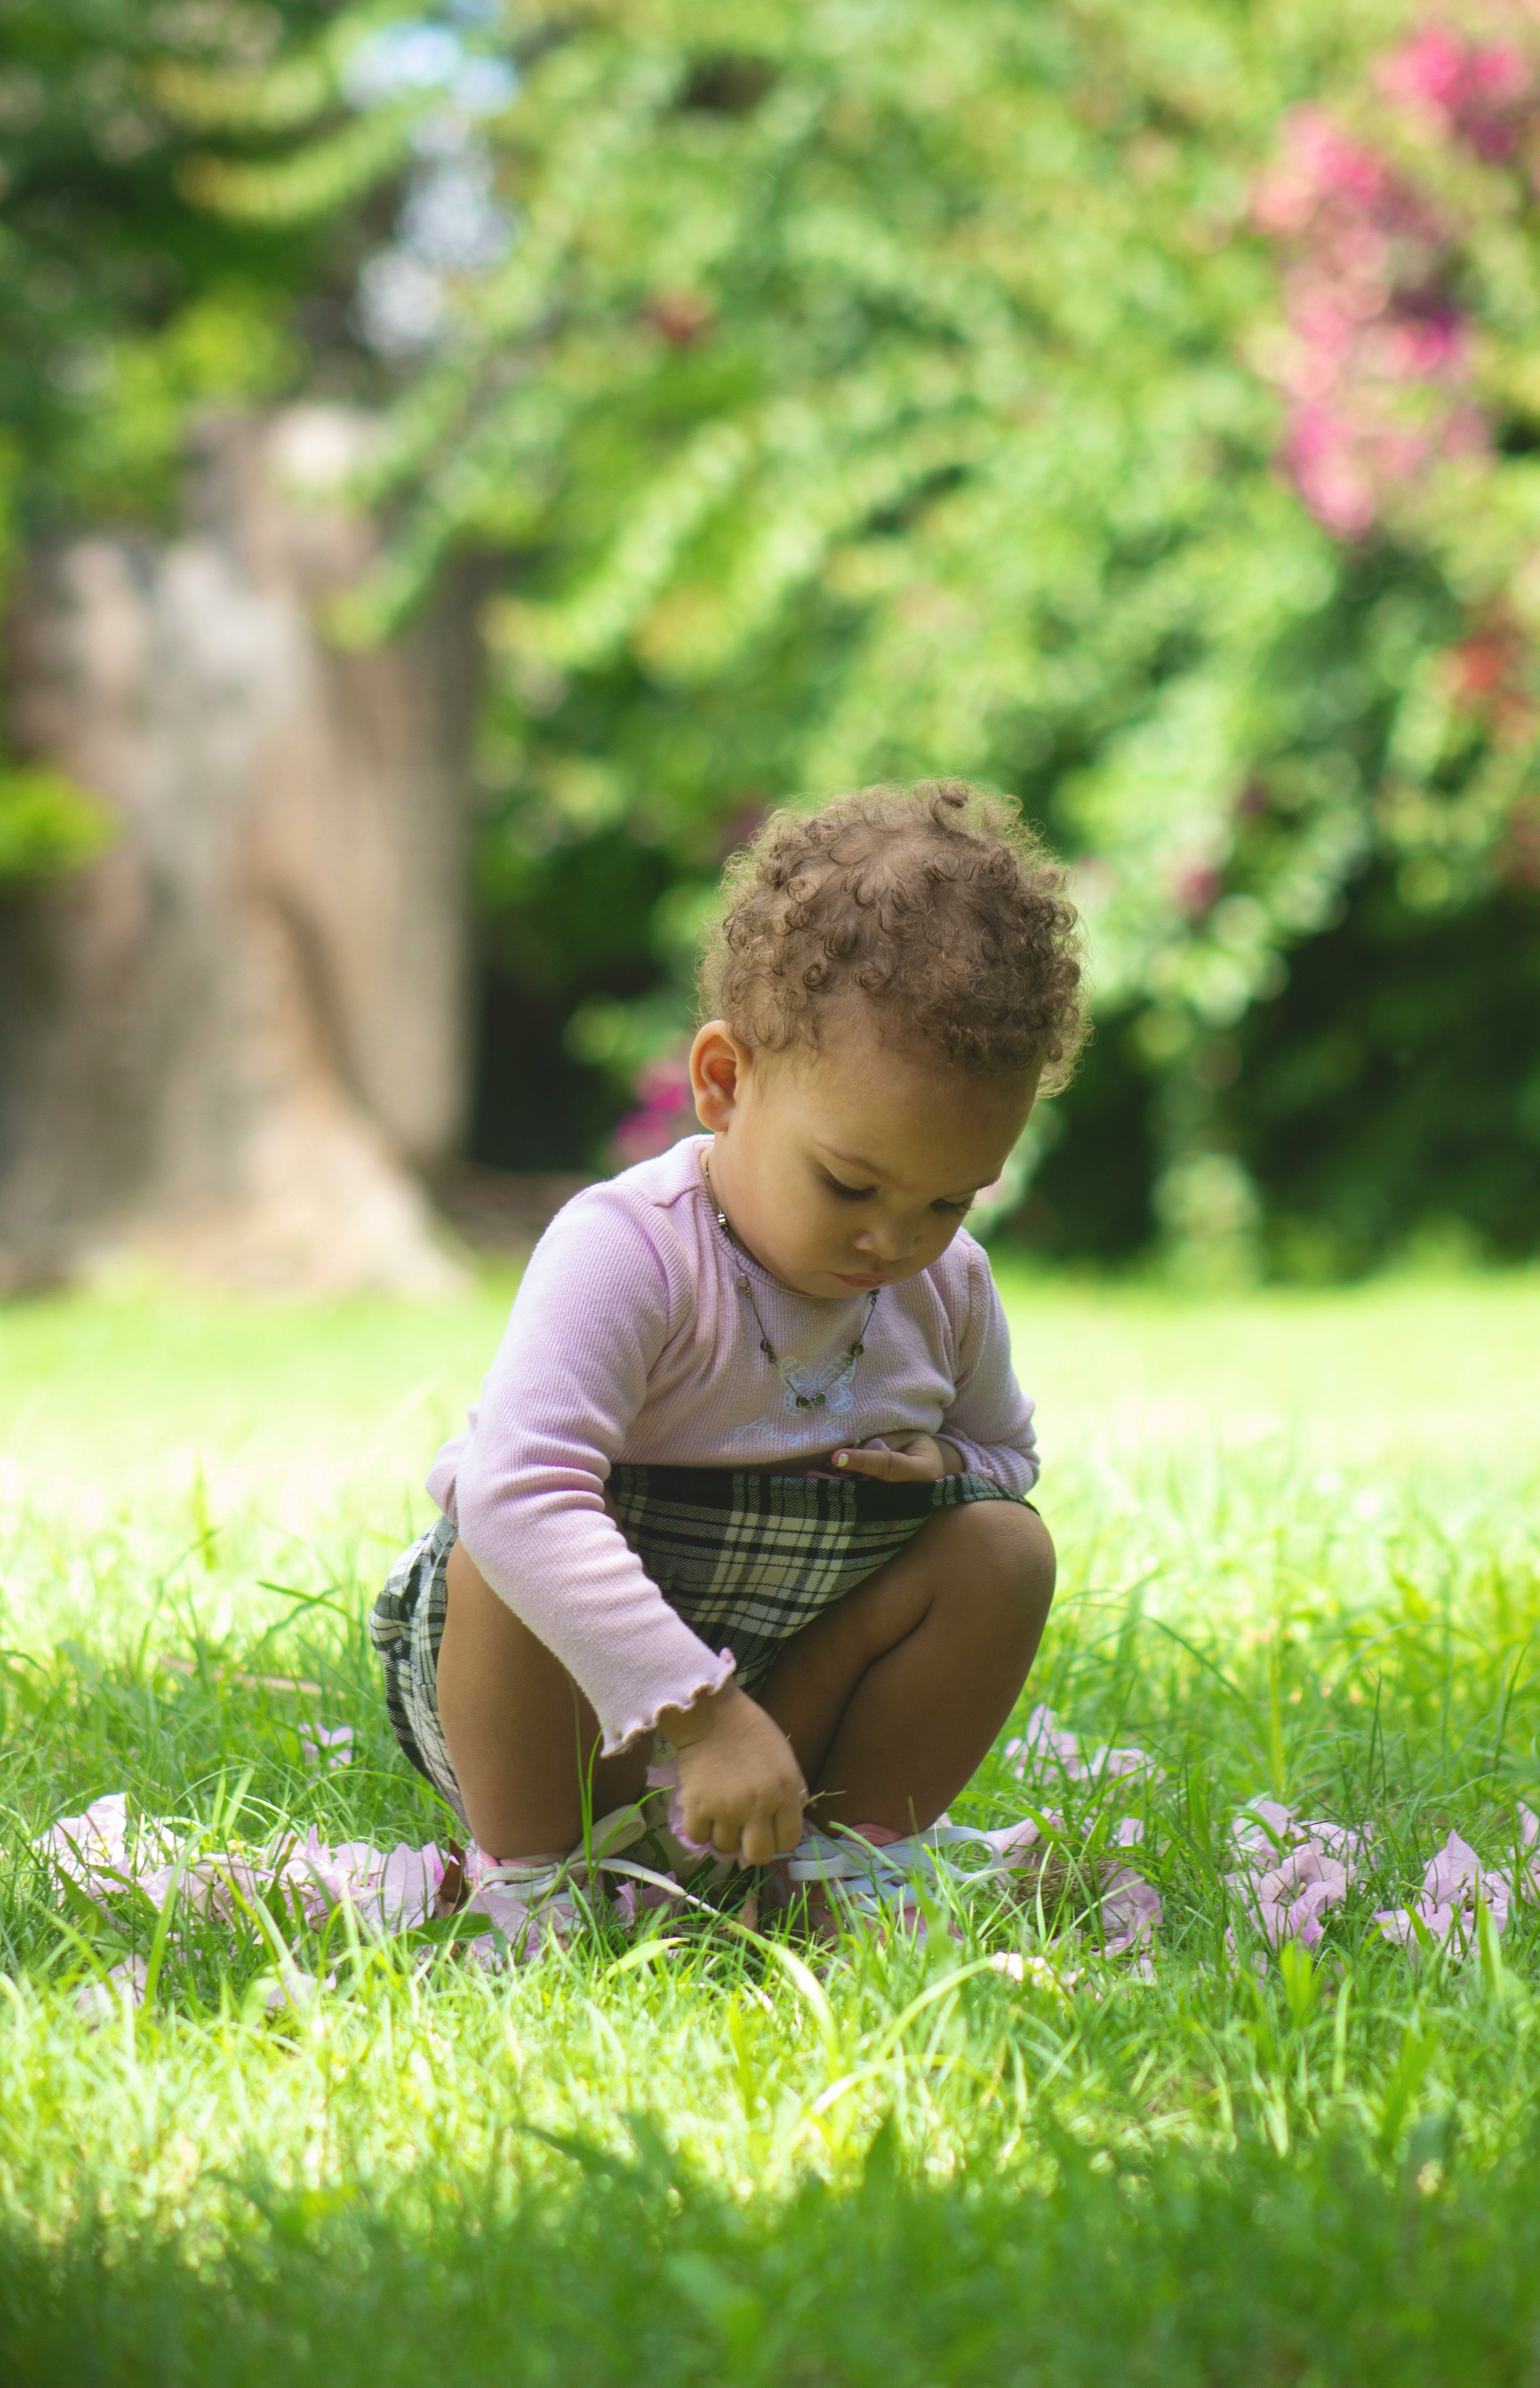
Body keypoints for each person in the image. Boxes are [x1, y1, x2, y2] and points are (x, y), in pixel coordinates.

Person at [370, 779, 1087, 1935]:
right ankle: (536, 1888)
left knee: (1003, 1551)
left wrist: (944, 1465)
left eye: (950, 1199)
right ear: (723, 1081)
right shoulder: (633, 1254)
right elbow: (516, 1495)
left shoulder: (943, 1290)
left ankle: (839, 1866)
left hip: (777, 1679)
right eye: (850, 1184)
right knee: (498, 1540)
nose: (893, 1240)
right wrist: (697, 1713)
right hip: (560, 1709)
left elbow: (1009, 1457)